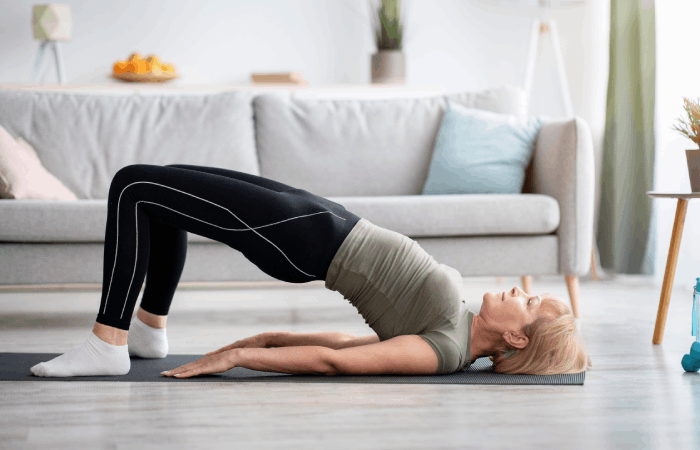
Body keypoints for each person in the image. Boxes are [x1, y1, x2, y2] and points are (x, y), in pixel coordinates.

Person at [30, 164, 591, 378]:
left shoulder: (443, 351)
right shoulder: (457, 330)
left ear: (516, 336)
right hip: (323, 219)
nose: (524, 291)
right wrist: (273, 335)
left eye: (533, 304)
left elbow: (339, 360)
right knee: (162, 189)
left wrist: (242, 356)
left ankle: (109, 342)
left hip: (304, 240)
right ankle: (149, 333)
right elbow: (346, 340)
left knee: (133, 186)